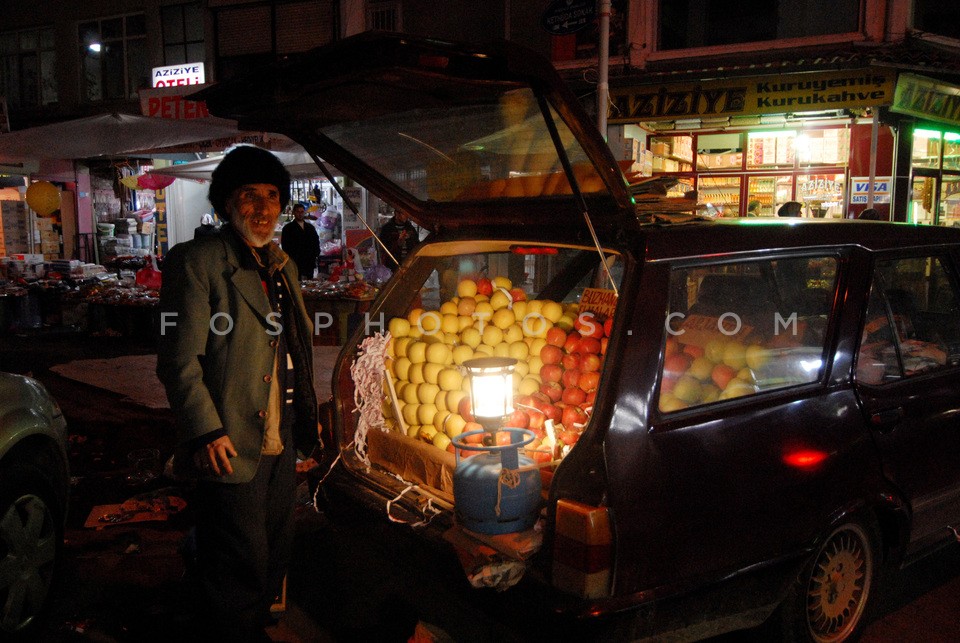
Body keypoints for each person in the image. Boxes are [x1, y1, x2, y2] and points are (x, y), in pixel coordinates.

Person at [156, 145, 319, 640]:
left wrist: (306, 430)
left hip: (281, 433)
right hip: (229, 439)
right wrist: (205, 430)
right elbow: (179, 360)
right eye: (250, 195)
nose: (264, 208)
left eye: (273, 196)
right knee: (239, 563)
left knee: (273, 555)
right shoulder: (200, 261)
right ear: (226, 203)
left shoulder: (282, 267)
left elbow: (296, 350)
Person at [280, 202, 320, 279]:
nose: (300, 214)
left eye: (302, 212)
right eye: (298, 212)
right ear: (294, 213)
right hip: (296, 261)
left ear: (304, 212)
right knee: (297, 281)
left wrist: (316, 253)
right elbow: (285, 245)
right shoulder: (288, 228)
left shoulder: (310, 227)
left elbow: (316, 241)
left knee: (309, 282)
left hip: (309, 260)